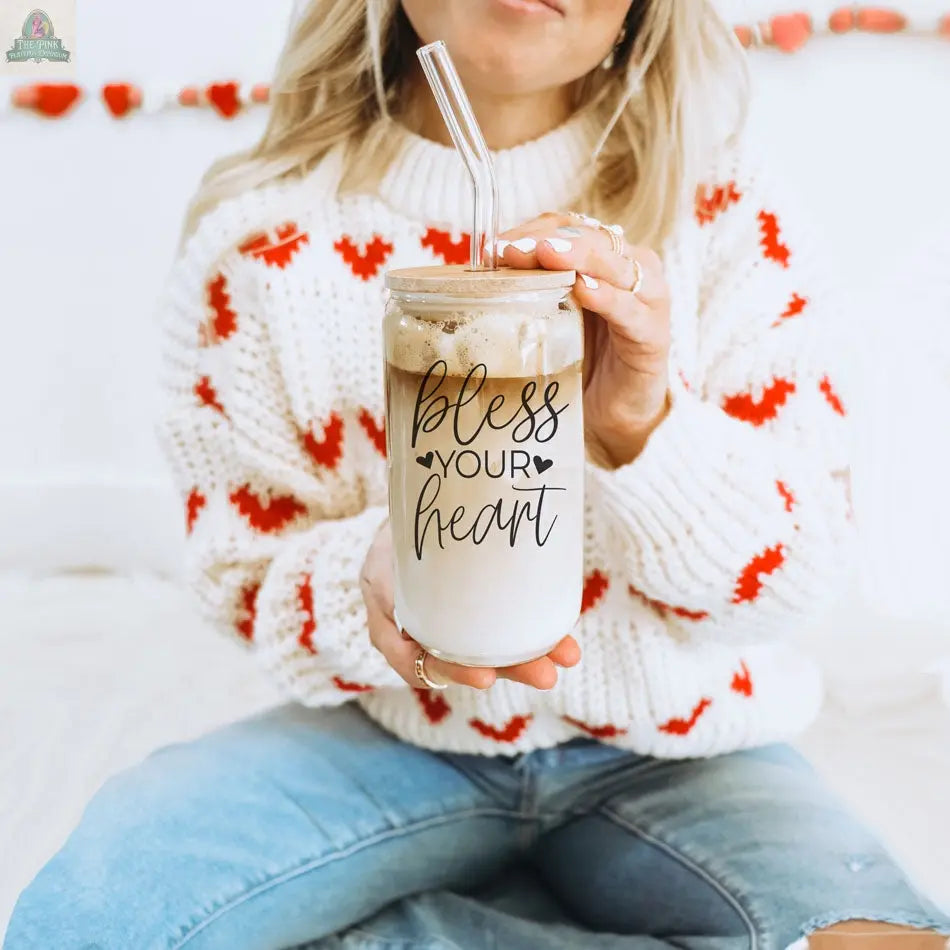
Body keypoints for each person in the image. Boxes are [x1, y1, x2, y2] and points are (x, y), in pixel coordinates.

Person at [7, 1, 950, 948]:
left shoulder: (729, 215)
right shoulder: (263, 249)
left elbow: (799, 576)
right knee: (87, 917)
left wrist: (639, 426)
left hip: (681, 749)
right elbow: (242, 571)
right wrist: (371, 577)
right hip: (394, 738)